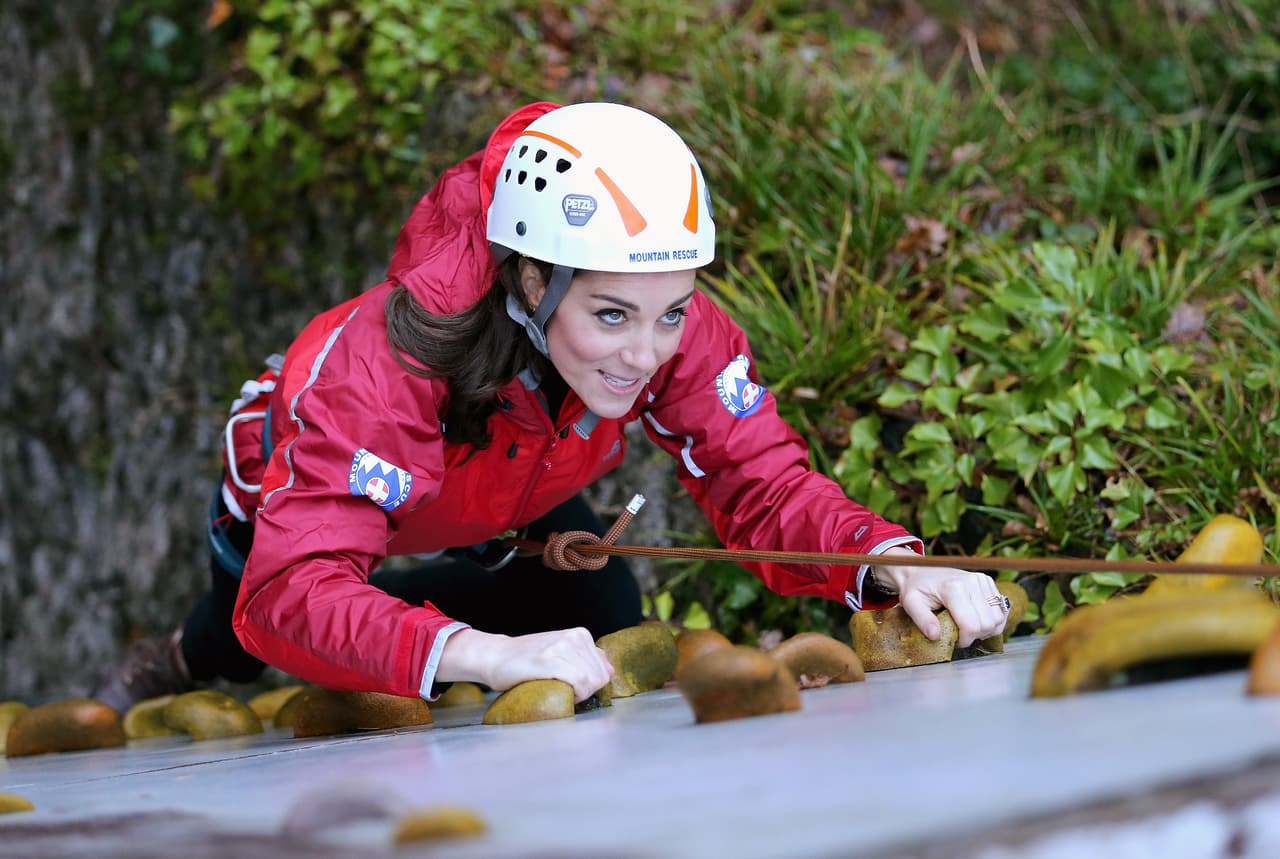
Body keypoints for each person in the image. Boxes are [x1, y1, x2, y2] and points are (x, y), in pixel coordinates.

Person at [94, 101, 1010, 713]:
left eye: (672, 312)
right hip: (299, 500)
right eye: (610, 314)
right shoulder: (383, 365)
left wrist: (888, 563)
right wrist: (480, 654)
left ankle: (412, 618)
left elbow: (761, 483)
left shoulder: (664, 322)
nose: (647, 352)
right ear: (529, 279)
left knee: (606, 612)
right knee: (242, 636)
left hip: (511, 495)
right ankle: (180, 658)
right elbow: (287, 592)